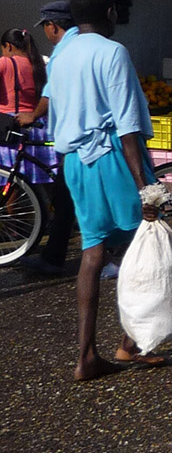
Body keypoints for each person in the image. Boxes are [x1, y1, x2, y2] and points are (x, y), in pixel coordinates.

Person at [43, 0, 166, 381]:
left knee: (93, 252)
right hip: (114, 157)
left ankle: (86, 358)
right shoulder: (113, 52)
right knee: (143, 246)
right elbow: (128, 126)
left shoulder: (60, 56)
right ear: (110, 15)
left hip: (76, 161)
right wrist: (144, 185)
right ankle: (132, 342)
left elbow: (57, 117)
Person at [4, 18, 73, 277]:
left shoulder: (6, 62)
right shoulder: (40, 62)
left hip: (19, 123)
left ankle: (17, 226)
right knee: (53, 183)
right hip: (43, 123)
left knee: (17, 177)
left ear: (8, 46)